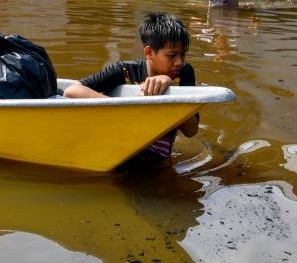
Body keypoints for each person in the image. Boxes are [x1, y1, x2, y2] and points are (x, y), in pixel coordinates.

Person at [63, 12, 200, 163]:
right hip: (118, 152)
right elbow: (71, 91)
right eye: (172, 55)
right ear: (149, 52)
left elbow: (191, 131)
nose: (179, 62)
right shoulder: (124, 71)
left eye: (183, 54)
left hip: (158, 159)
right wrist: (122, 107)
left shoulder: (184, 73)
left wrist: (170, 88)